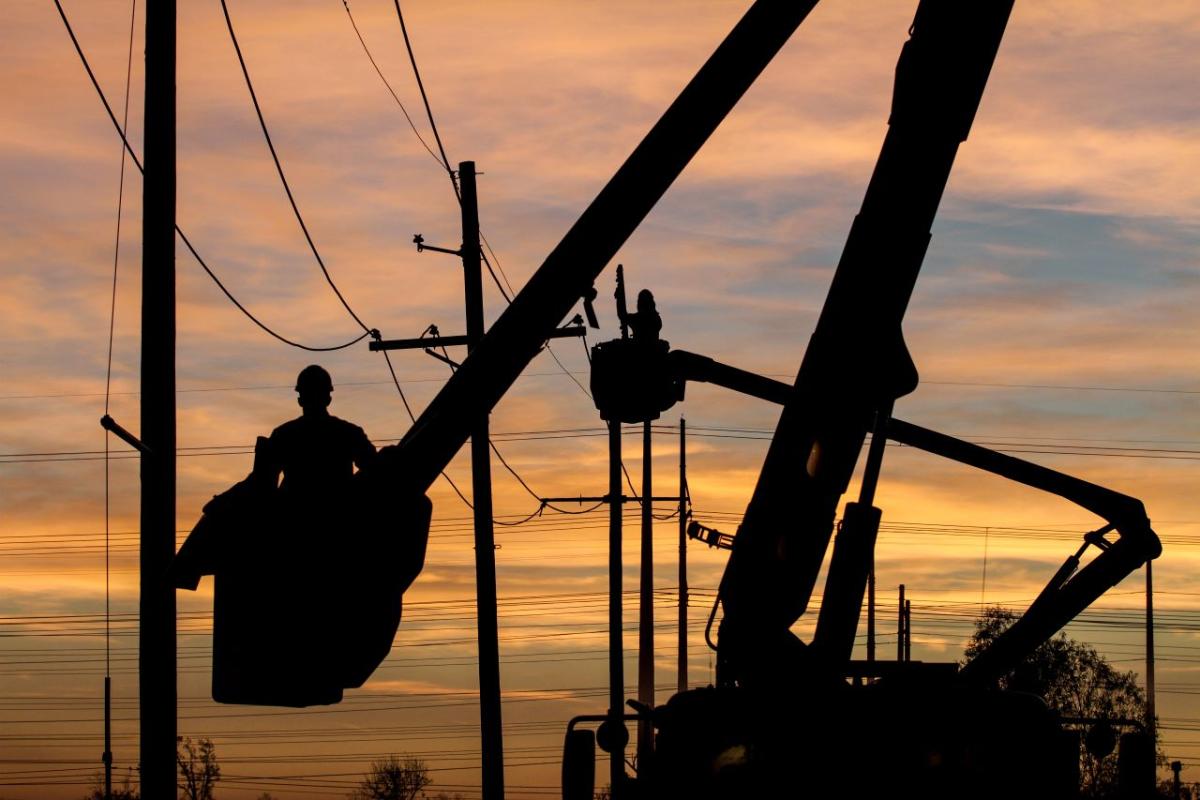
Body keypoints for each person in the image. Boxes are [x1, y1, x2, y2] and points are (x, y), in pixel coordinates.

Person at [267, 365, 376, 498]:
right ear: (328, 399)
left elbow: (264, 482)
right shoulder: (349, 433)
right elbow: (375, 469)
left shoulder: (283, 435)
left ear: (300, 400)